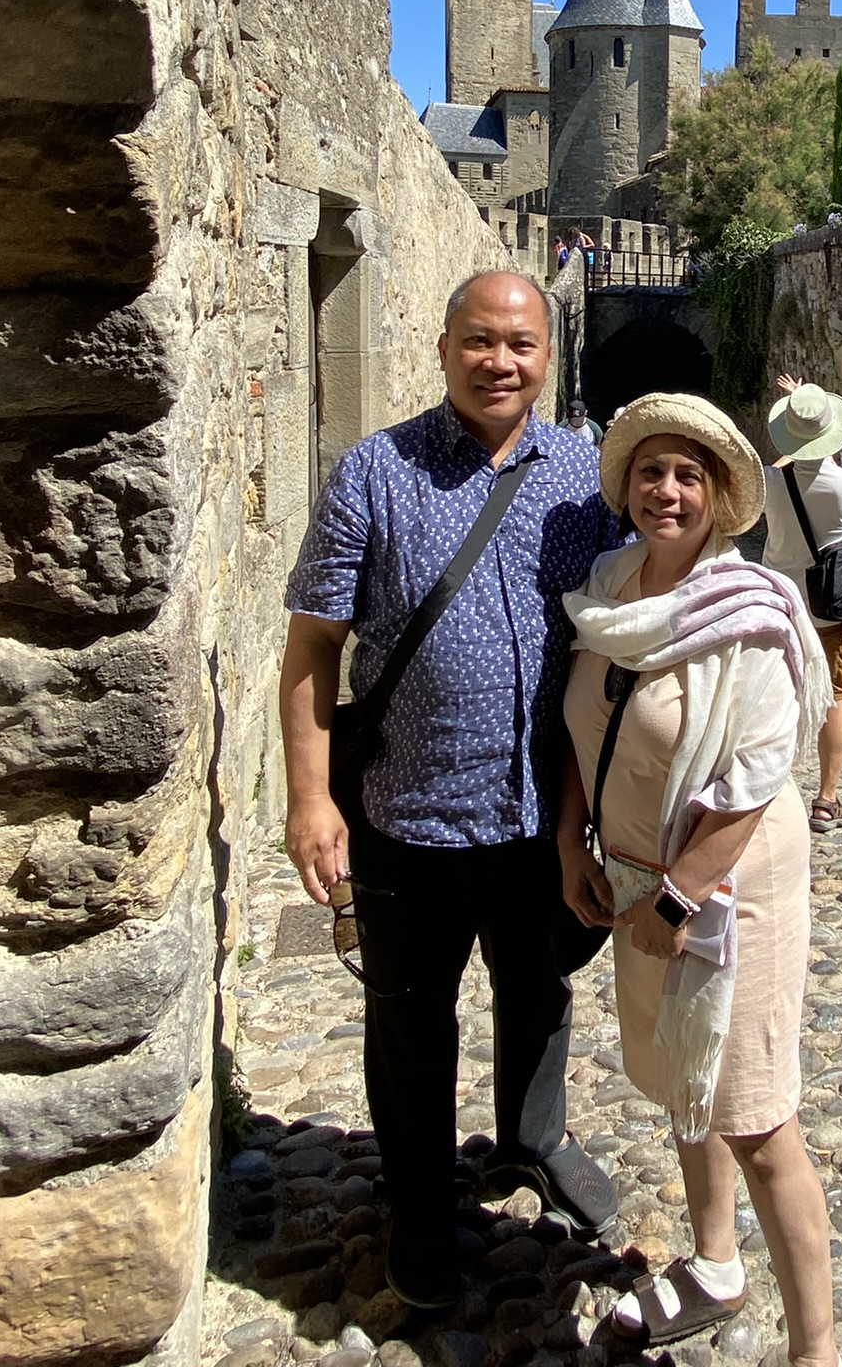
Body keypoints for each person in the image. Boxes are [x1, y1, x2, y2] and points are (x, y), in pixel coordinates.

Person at [279, 270, 618, 1310]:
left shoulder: (585, 476)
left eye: (520, 344)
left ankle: (534, 1138)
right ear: (442, 348)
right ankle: (421, 1202)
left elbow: (630, 625)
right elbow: (312, 645)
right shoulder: (375, 471)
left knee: (541, 989)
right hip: (407, 813)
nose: (499, 362)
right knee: (410, 1021)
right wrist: (310, 797)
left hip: (543, 815)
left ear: (547, 356)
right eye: (479, 340)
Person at [558, 395, 838, 1367]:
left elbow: (756, 778)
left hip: (727, 892)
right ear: (627, 485)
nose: (666, 491)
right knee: (688, 1078)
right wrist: (572, 843)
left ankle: (816, 1349)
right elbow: (581, 725)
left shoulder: (752, 612)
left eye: (688, 475)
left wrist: (679, 896)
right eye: (651, 471)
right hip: (635, 879)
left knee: (756, 1118)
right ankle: (716, 1263)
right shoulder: (609, 588)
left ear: (719, 496)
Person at [760, 380, 842, 832]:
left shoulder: (770, 482)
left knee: (772, 697)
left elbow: (770, 475)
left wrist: (788, 452)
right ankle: (826, 799)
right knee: (836, 698)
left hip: (779, 606)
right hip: (829, 607)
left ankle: (765, 795)